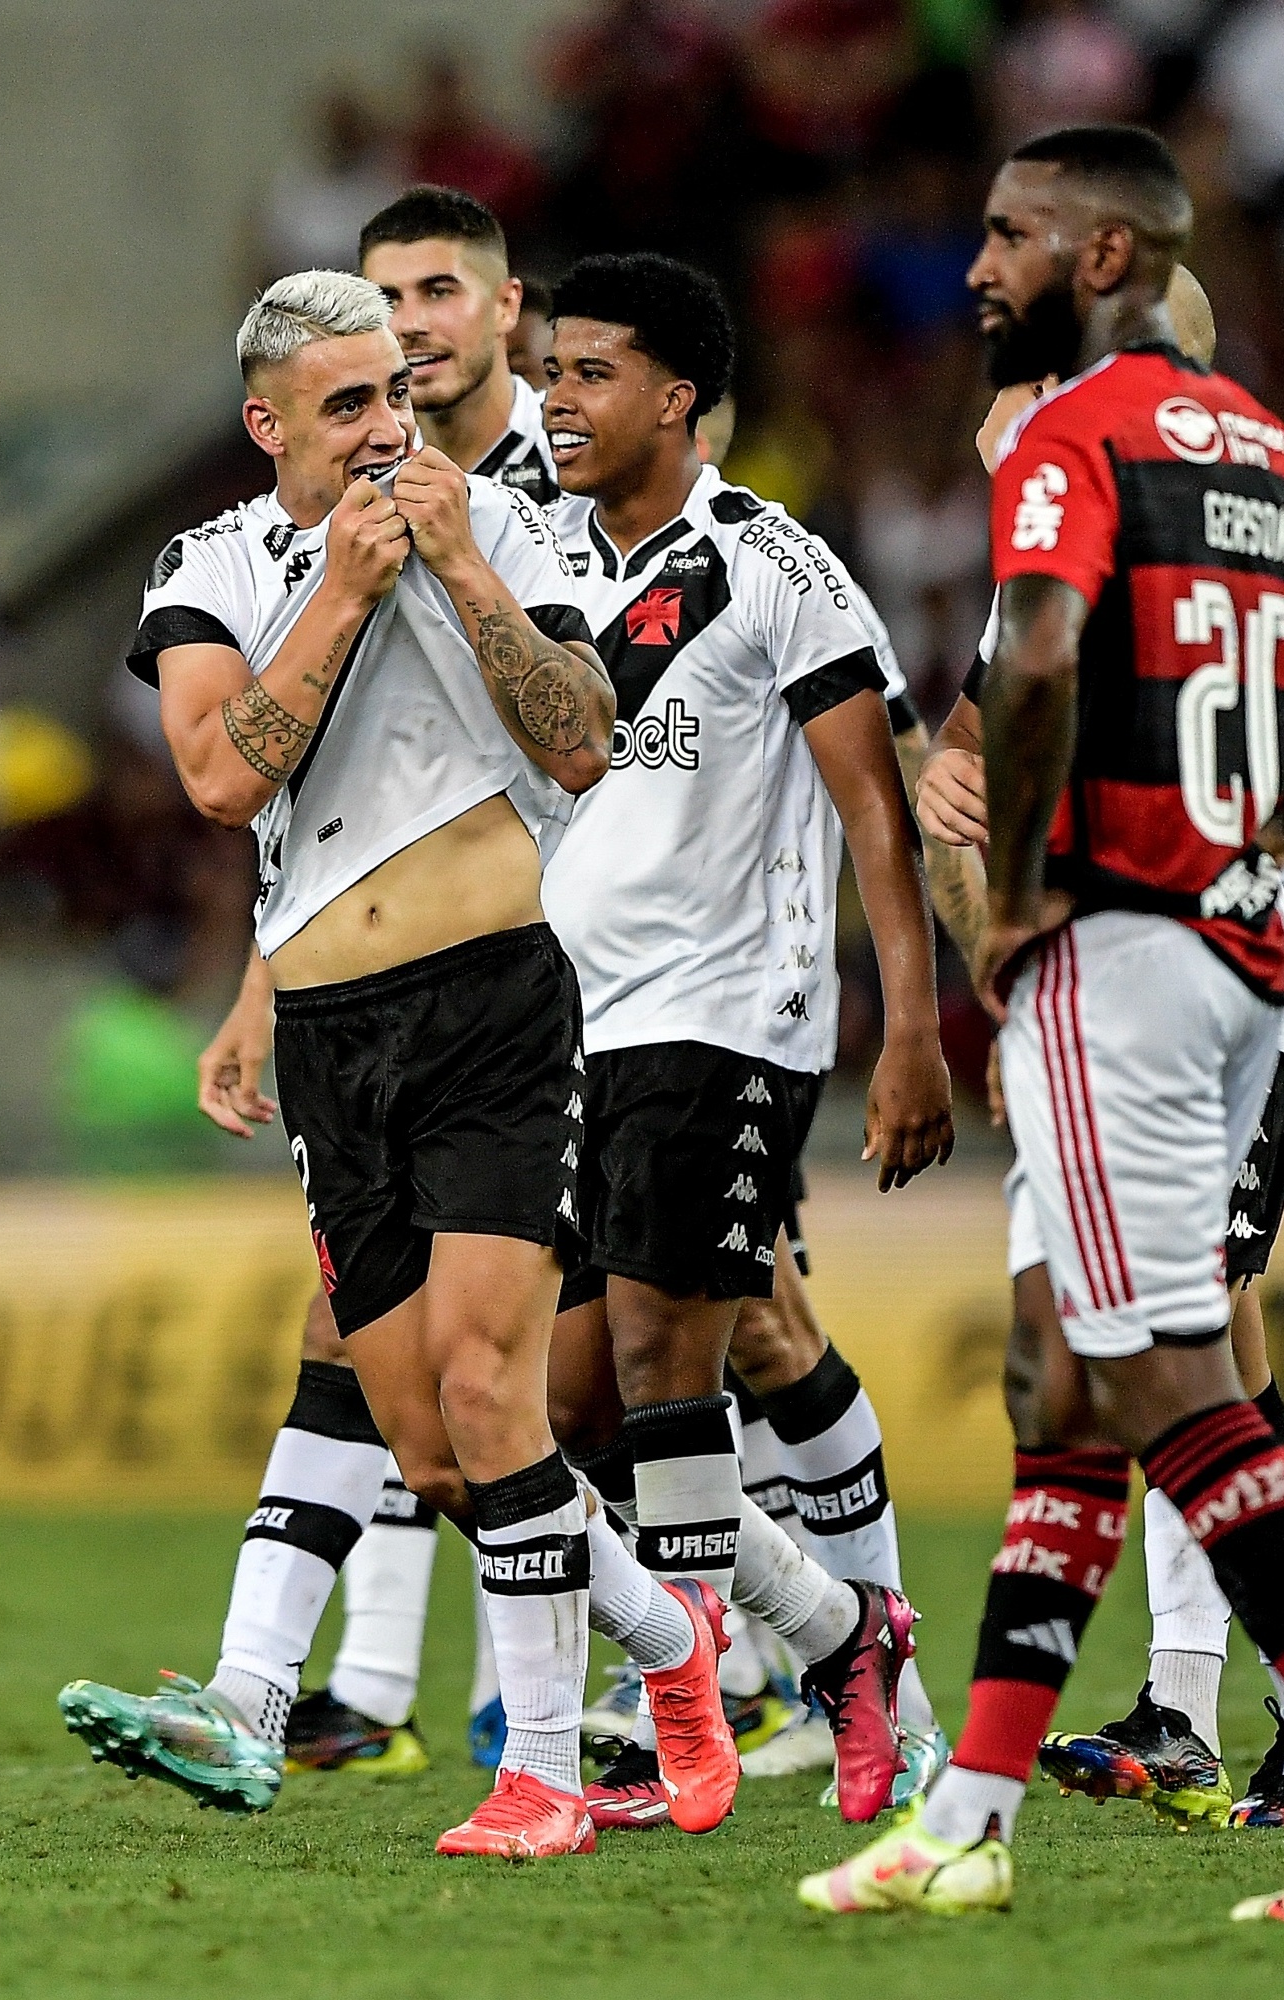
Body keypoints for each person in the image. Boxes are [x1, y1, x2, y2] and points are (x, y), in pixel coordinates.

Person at [800, 123, 1284, 1923]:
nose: (976, 269)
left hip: (1112, 950)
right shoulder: (1281, 459)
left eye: (1007, 236)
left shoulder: (1068, 435)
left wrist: (1030, 885)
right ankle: (968, 1817)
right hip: (1235, 955)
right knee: (1065, 1385)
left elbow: (1033, 657)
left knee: (1156, 1376)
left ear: (1105, 257)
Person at [55, 268, 736, 1863]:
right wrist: (349, 593)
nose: (385, 429)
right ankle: (678, 1641)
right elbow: (222, 779)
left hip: (502, 1003)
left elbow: (584, 741)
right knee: (425, 1444)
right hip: (331, 1036)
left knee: (495, 1389)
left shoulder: (512, 527)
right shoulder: (213, 564)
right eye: (348, 402)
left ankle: (545, 1779)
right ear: (269, 420)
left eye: (402, 396)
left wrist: (458, 572)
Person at [913, 265, 1284, 1836]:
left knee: (1190, 1335)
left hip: (1201, 971)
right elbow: (967, 755)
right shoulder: (1071, 523)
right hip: (1100, 988)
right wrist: (978, 891)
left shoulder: (1197, 524)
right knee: (1134, 1347)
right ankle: (1192, 1712)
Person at [534, 251, 955, 1827]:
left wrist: (905, 1029)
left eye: (590, 373)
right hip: (565, 1020)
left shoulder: (778, 564)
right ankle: (846, 1637)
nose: (558, 399)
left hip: (726, 1011)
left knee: (663, 1358)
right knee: (564, 1407)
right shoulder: (540, 558)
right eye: (555, 369)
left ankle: (681, 1718)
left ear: (678, 398)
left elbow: (872, 807)